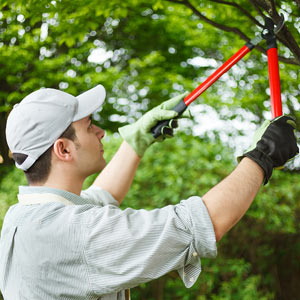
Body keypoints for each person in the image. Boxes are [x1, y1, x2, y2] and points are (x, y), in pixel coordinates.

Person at [0, 85, 298, 300]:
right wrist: (263, 156)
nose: (101, 132)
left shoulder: (25, 217)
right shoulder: (73, 233)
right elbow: (195, 225)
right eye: (90, 126)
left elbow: (103, 196)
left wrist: (138, 140)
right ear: (63, 149)